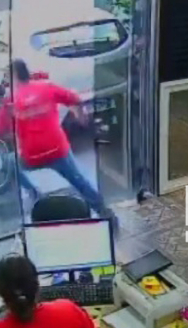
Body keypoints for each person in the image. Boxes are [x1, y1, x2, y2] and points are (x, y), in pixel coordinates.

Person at [0, 59, 114, 221]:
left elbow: (2, 129)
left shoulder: (11, 101)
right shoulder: (46, 87)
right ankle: (104, 211)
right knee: (79, 180)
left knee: (10, 162)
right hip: (57, 151)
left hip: (32, 157)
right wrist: (80, 115)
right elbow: (74, 98)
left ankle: (34, 193)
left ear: (14, 76)